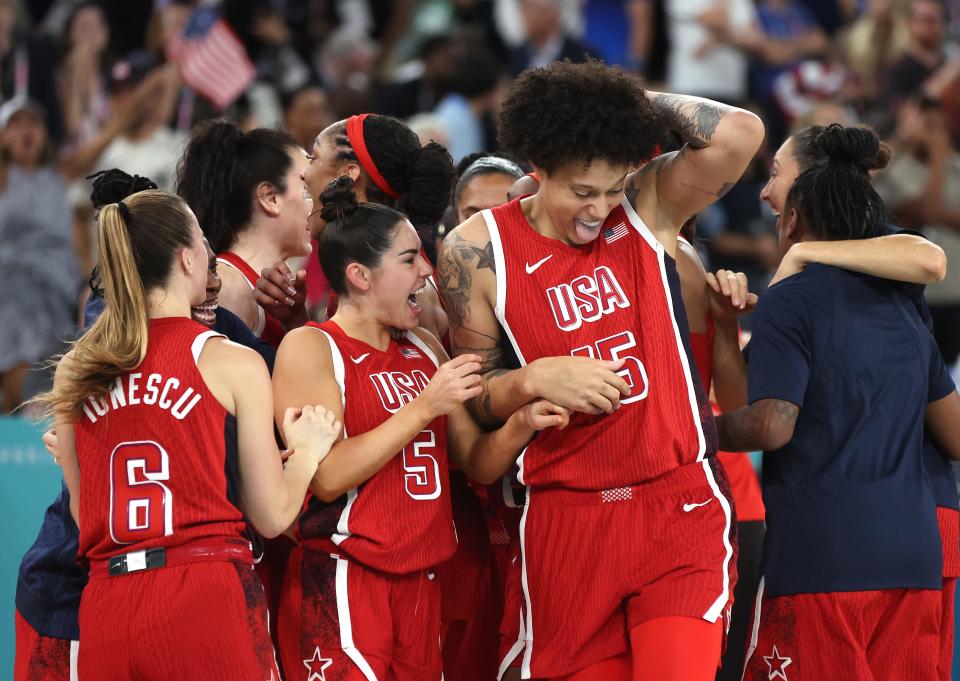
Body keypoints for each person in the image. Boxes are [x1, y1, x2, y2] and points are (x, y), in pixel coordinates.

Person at [439, 59, 765, 680]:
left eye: (612, 189)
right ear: (538, 169)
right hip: (568, 520)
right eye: (581, 192)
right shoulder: (475, 251)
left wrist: (612, 107)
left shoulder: (646, 206)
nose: (599, 210)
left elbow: (739, 134)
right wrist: (534, 378)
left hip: (677, 505)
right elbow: (477, 402)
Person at [31, 187, 340, 679]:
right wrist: (306, 452)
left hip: (108, 607)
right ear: (186, 258)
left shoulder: (77, 368)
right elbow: (271, 514)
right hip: (204, 596)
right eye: (202, 241)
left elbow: (83, 513)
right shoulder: (231, 360)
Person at [272, 177, 569, 681]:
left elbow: (475, 460)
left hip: (422, 582)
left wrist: (521, 422)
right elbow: (324, 476)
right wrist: (423, 407)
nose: (427, 270)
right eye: (410, 260)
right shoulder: (311, 346)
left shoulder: (425, 347)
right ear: (361, 276)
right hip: (345, 576)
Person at [716, 124, 960, 681]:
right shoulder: (901, 299)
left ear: (799, 205)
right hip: (919, 546)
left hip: (821, 554)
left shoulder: (793, 296)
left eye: (774, 173)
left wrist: (695, 432)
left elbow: (770, 422)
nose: (762, 191)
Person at [254, 113, 455, 344]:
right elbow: (351, 369)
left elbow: (415, 374)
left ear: (348, 174)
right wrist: (296, 318)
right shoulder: (368, 260)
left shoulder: (404, 285)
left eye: (313, 158)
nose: (304, 173)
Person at [176, 119, 312, 347]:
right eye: (307, 188)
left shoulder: (273, 291)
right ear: (270, 198)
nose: (316, 202)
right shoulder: (227, 285)